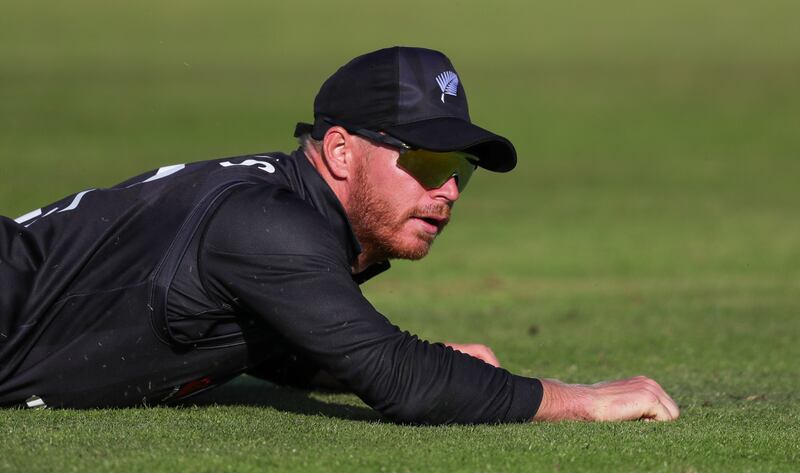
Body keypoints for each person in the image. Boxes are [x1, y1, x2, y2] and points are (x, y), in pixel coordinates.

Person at [0, 46, 679, 423]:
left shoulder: (283, 218)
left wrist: (348, 357)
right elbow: (404, 381)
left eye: (459, 172)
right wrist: (582, 398)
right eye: (426, 162)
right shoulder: (267, 222)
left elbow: (266, 334)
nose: (445, 190)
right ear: (341, 151)